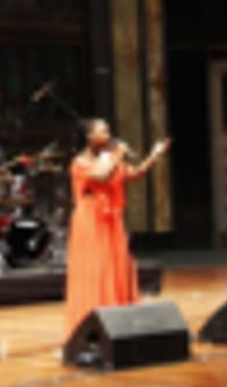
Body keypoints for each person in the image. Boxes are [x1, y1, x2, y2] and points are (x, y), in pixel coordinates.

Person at [63, 118, 170, 337]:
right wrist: (118, 154)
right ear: (89, 137)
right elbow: (101, 177)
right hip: (90, 220)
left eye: (109, 130)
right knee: (97, 269)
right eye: (103, 131)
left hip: (111, 219)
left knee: (116, 265)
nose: (109, 135)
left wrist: (154, 154)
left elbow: (134, 174)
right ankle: (91, 320)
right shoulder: (79, 163)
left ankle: (117, 318)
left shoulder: (109, 158)